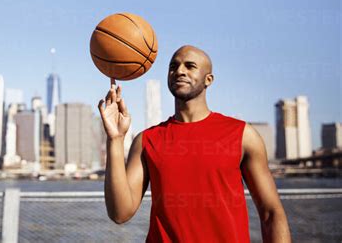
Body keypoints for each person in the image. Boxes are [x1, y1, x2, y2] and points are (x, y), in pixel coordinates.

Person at [98, 45, 291, 242]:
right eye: (173, 67)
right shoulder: (146, 140)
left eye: (190, 66)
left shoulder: (242, 135)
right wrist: (115, 139)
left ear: (209, 79)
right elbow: (120, 214)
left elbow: (271, 214)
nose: (179, 71)